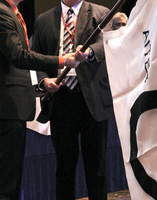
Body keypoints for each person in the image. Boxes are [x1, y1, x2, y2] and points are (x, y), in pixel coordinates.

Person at [0, 0, 86, 199]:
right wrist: (62, 60)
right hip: (5, 106)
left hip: (11, 106)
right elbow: (19, 56)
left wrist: (44, 83)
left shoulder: (11, 12)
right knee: (4, 180)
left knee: (10, 178)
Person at [31, 0, 114, 199]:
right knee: (64, 165)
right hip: (60, 98)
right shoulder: (44, 20)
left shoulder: (101, 13)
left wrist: (89, 52)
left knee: (96, 166)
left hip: (92, 98)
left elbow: (107, 43)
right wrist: (43, 81)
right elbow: (35, 56)